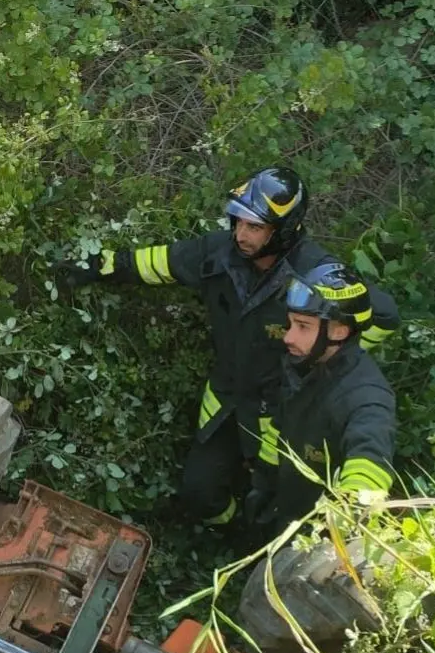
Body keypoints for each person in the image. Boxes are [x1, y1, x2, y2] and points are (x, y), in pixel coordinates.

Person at [60, 167, 399, 528]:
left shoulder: (318, 274)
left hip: (280, 410)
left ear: (282, 230)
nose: (241, 234)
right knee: (199, 491)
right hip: (226, 396)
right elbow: (158, 263)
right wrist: (96, 266)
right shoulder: (219, 253)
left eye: (254, 227)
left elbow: (383, 316)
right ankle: (230, 528)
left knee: (273, 497)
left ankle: (254, 534)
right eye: (238, 222)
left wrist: (327, 361)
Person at [245, 260, 397, 539]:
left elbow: (370, 464)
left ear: (338, 331)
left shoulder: (366, 396)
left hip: (322, 551)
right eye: (290, 324)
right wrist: (262, 487)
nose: (289, 337)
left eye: (303, 326)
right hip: (285, 521)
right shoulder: (305, 366)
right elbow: (278, 433)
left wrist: (341, 524)